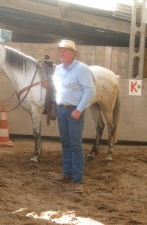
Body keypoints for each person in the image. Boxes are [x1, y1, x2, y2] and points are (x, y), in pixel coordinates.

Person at [52, 40, 96, 193]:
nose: (61, 53)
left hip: (74, 111)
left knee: (75, 145)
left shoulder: (82, 69)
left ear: (73, 53)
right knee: (65, 142)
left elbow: (90, 91)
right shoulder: (58, 69)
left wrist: (79, 109)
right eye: (60, 50)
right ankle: (66, 173)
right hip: (62, 110)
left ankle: (78, 179)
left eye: (65, 50)